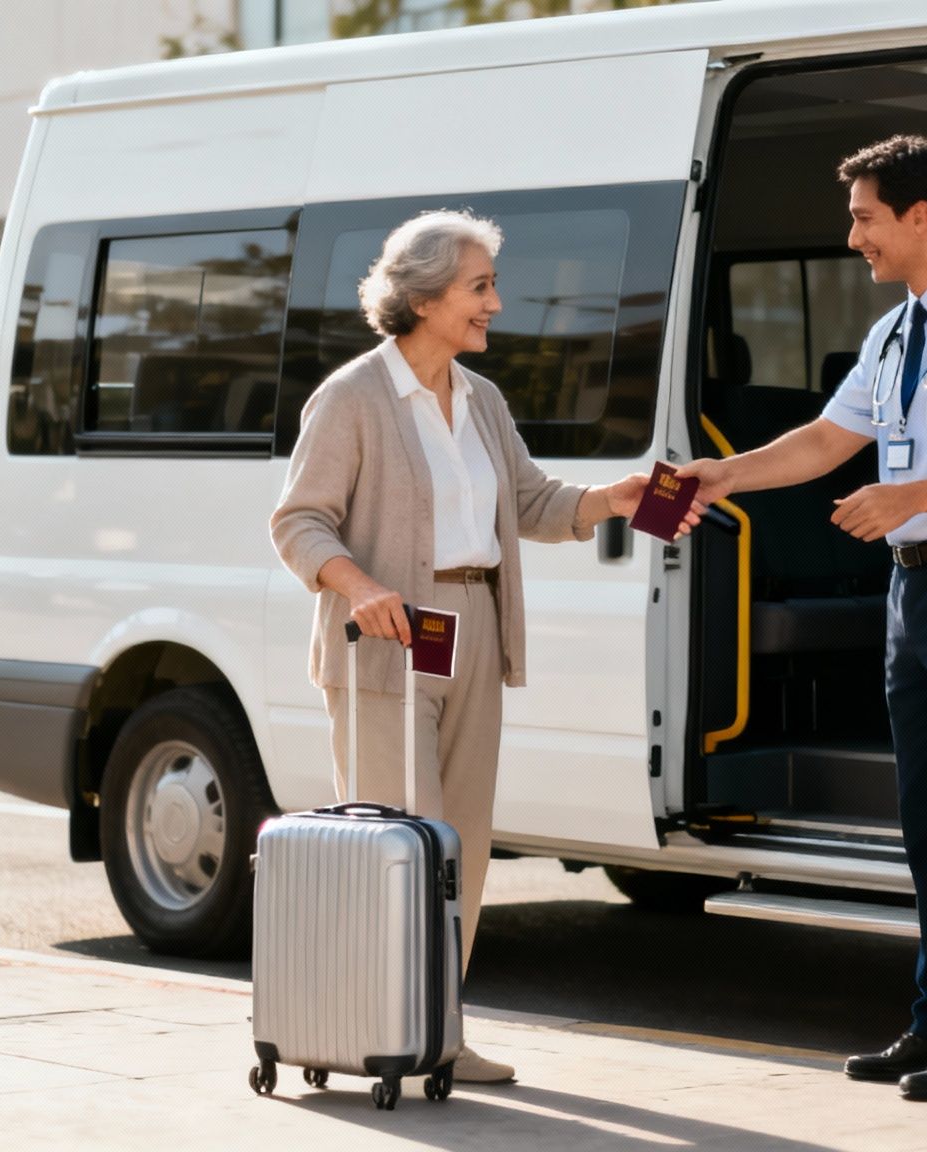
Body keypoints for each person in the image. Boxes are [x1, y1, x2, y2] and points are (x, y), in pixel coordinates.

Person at [677, 135, 927, 1102]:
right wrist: (721, 473)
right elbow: (825, 440)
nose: (851, 236)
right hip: (915, 591)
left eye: (862, 217)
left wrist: (910, 497)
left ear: (918, 216)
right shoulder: (895, 330)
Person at [269, 210, 695, 1085]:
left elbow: (531, 505)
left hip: (473, 631)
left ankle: (439, 1031)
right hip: (386, 640)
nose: (496, 304)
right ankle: (377, 1026)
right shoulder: (353, 397)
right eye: (479, 287)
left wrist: (614, 499)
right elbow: (298, 521)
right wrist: (362, 587)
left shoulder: (481, 399)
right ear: (422, 297)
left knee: (458, 841)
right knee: (399, 835)